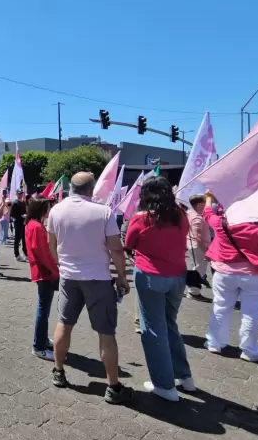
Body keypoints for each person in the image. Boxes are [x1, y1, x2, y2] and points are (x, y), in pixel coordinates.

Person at [47, 172, 133, 404]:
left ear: (71, 188)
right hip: (98, 278)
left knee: (64, 323)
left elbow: (51, 245)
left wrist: (61, 264)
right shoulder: (103, 212)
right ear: (91, 189)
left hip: (69, 277)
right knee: (106, 332)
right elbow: (116, 249)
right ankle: (113, 386)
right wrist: (122, 277)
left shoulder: (56, 211)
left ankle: (58, 371)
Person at [125, 176, 194, 402]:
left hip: (150, 276)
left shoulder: (142, 218)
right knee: (170, 325)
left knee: (153, 329)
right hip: (177, 276)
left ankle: (164, 385)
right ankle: (184, 376)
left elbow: (129, 244)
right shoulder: (181, 215)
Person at [202, 191, 258, 362]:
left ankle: (214, 342)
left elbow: (207, 213)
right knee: (251, 314)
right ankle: (249, 350)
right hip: (253, 277)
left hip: (224, 273)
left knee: (221, 308)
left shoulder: (221, 225)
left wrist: (209, 198)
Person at [25, 196, 58, 361]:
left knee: (43, 309)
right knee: (43, 310)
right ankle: (39, 346)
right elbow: (43, 254)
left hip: (42, 271)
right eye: (47, 207)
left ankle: (42, 339)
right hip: (44, 272)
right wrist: (54, 269)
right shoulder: (36, 226)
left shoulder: (32, 224)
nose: (49, 210)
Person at [185, 194, 211, 298]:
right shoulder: (197, 217)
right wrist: (206, 249)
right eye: (205, 203)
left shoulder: (190, 213)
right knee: (199, 269)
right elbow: (198, 235)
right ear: (200, 204)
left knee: (196, 267)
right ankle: (193, 292)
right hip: (199, 246)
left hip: (193, 244)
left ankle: (193, 289)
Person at [10, 191, 28, 261]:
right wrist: (21, 216)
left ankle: (25, 253)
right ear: (17, 194)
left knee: (24, 239)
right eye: (19, 194)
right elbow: (12, 214)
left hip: (23, 223)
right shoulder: (15, 203)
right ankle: (16, 254)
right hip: (17, 222)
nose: (20, 195)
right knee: (17, 239)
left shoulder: (23, 202)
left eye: (21, 194)